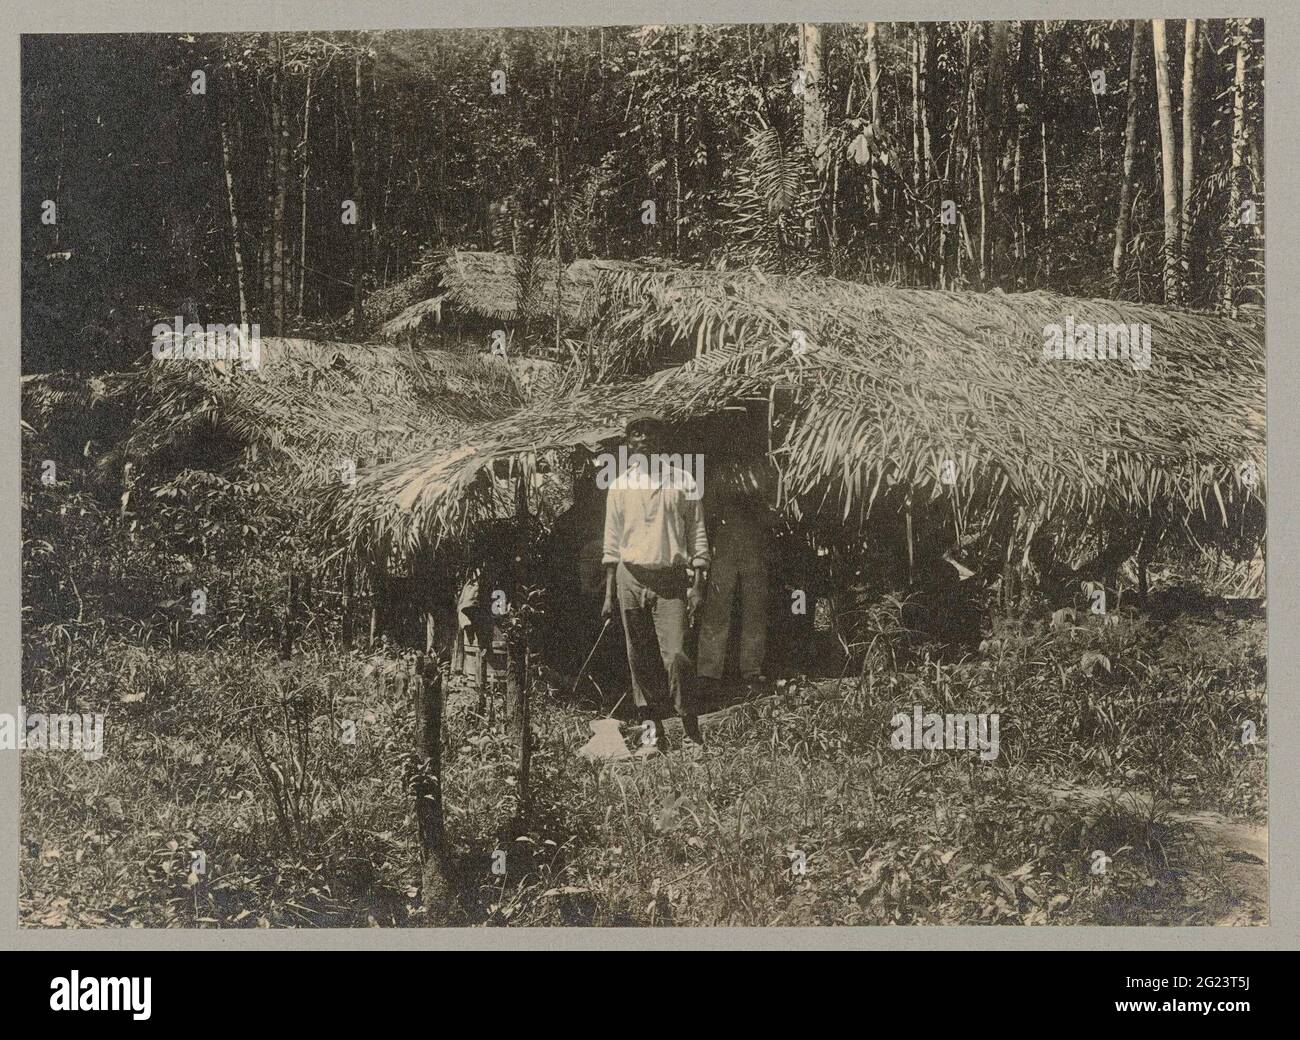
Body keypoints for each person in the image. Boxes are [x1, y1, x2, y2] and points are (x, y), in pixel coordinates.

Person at [601, 413, 708, 756]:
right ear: (628, 443)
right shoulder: (619, 486)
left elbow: (697, 532)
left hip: (670, 580)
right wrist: (608, 595)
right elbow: (612, 543)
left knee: (676, 655)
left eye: (650, 433)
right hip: (630, 578)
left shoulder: (683, 481)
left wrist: (698, 582)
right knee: (639, 659)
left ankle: (692, 735)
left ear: (662, 441)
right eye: (636, 434)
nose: (643, 439)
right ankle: (652, 738)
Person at [697, 468, 773, 696]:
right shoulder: (721, 475)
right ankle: (709, 673)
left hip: (754, 547)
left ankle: (751, 671)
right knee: (717, 610)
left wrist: (757, 507)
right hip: (725, 546)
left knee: (755, 611)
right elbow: (707, 513)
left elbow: (774, 513)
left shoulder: (763, 471)